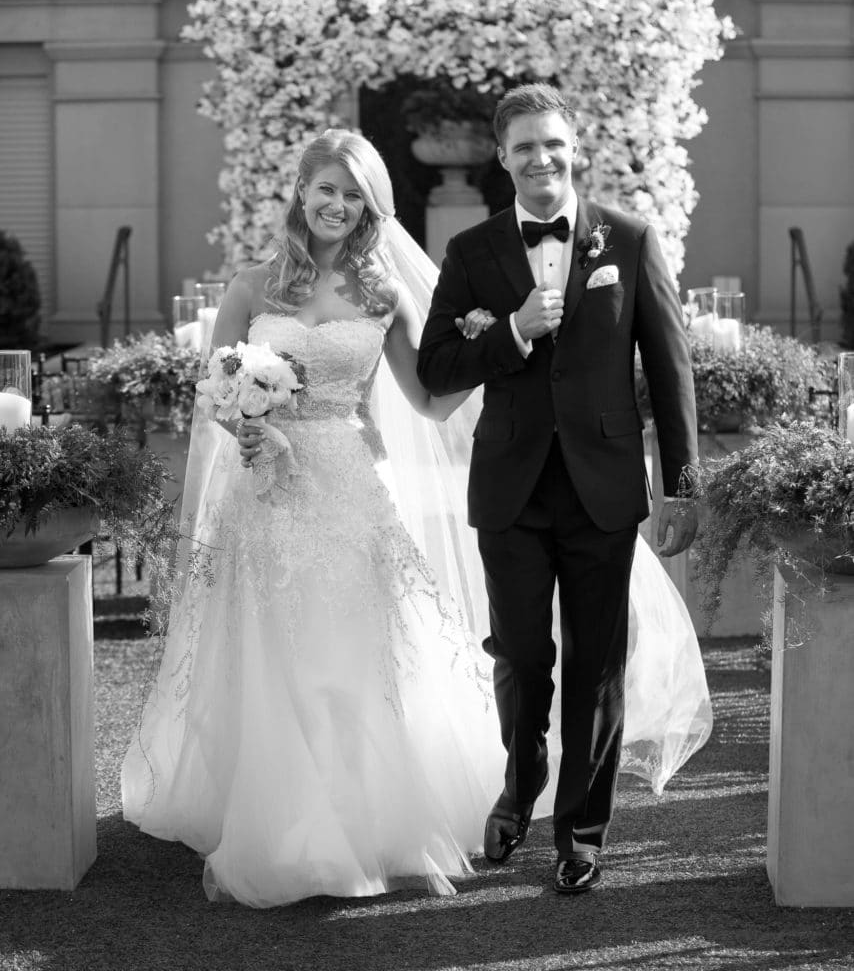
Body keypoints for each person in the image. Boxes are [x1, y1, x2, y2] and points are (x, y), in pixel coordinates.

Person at [122, 127, 710, 908]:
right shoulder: (251, 286)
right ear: (300, 191)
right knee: (270, 660)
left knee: (351, 661)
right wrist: (247, 426)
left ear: (371, 207)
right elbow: (213, 391)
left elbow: (430, 398)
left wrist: (499, 344)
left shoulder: (383, 291)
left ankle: (363, 818)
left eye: (353, 193)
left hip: (347, 493)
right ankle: (277, 815)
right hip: (263, 497)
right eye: (324, 188)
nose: (336, 204)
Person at [417, 83, 702, 896]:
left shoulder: (632, 240)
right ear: (501, 158)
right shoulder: (472, 252)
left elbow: (670, 370)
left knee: (597, 665)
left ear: (573, 149)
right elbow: (437, 366)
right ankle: (519, 789)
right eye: (525, 147)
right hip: (509, 487)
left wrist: (681, 484)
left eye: (554, 145)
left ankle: (581, 830)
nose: (541, 159)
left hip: (602, 486)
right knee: (519, 658)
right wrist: (509, 332)